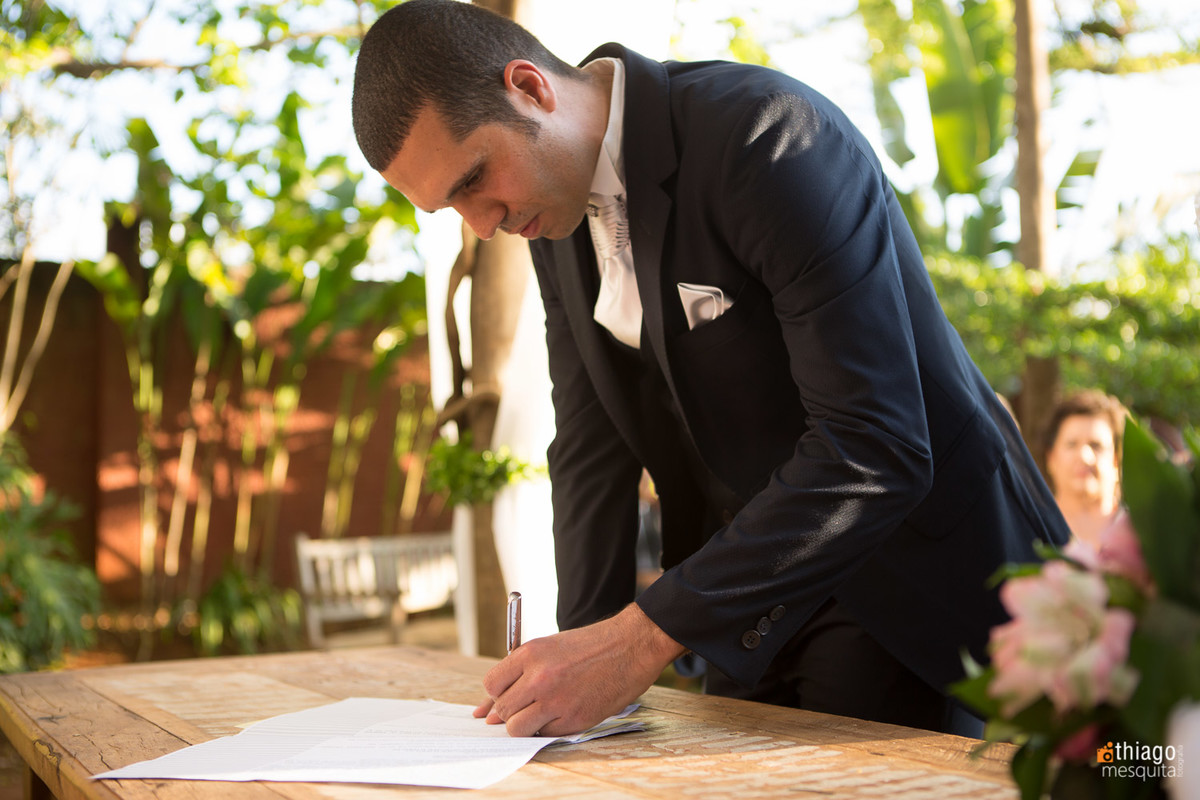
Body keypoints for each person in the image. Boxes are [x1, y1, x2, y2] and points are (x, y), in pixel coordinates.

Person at [351, 0, 1070, 739]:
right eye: (451, 208)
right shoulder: (548, 213)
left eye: (473, 179)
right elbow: (591, 447)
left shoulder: (768, 137)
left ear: (530, 88)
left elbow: (875, 443)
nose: (481, 223)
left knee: (1139, 768)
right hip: (749, 610)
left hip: (904, 578)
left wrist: (635, 642)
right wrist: (575, 672)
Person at [1040, 389, 1126, 548]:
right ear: (1051, 458)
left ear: (1116, 460)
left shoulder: (1140, 535)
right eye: (1071, 445)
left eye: (1096, 446)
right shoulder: (1032, 533)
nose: (1085, 457)